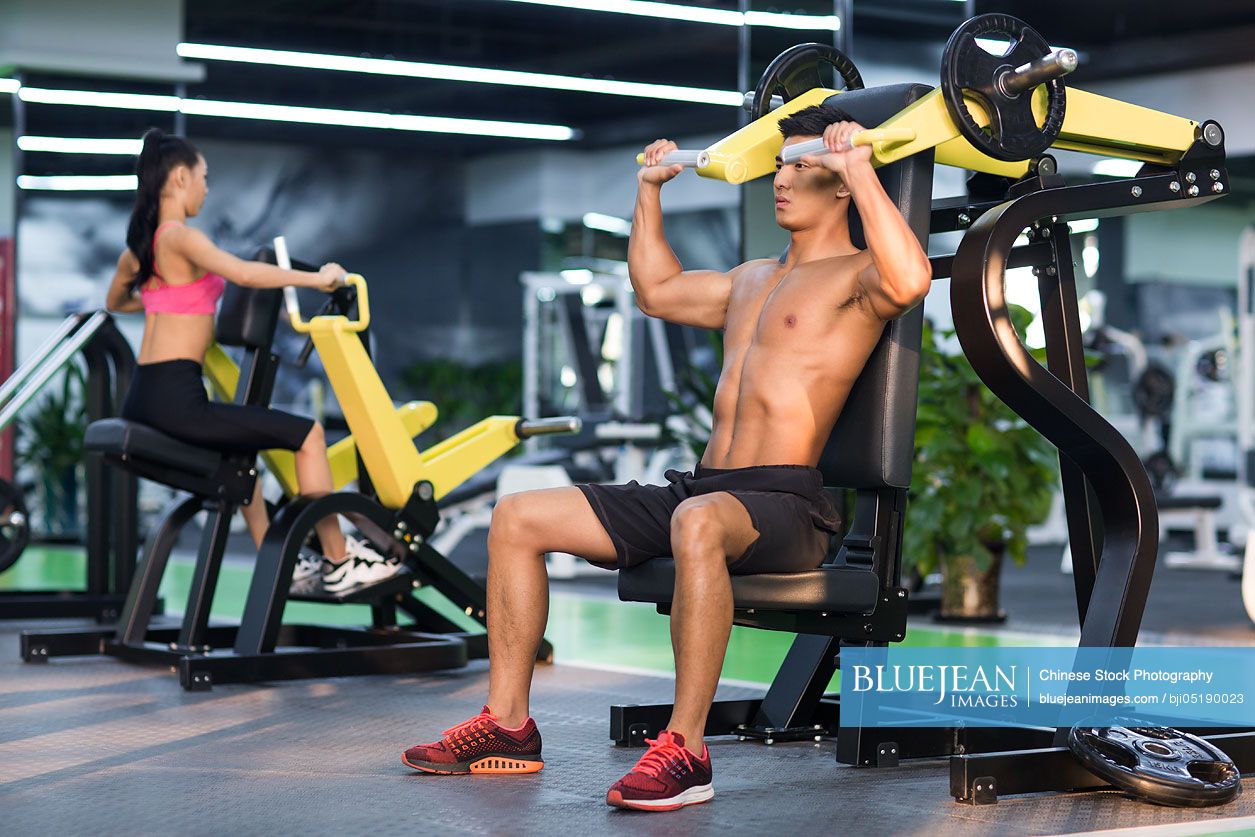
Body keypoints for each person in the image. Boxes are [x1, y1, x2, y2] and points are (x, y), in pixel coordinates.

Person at [401, 105, 932, 811]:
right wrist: (648, 192)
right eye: (778, 163)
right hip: (705, 488)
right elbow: (655, 290)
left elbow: (911, 281)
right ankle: (507, 724)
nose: (779, 178)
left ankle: (686, 747)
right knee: (518, 516)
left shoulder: (857, 279)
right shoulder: (749, 280)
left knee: (698, 522)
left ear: (836, 183)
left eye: (800, 166)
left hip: (783, 505)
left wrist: (859, 168)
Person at [105, 128, 394, 593]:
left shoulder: (139, 250)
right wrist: (318, 279)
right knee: (308, 435)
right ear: (179, 179)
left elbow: (116, 301)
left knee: (240, 460)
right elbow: (242, 272)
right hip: (178, 395)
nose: (206, 187)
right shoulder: (180, 237)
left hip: (145, 394)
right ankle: (339, 562)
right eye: (203, 177)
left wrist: (168, 302)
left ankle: (274, 563)